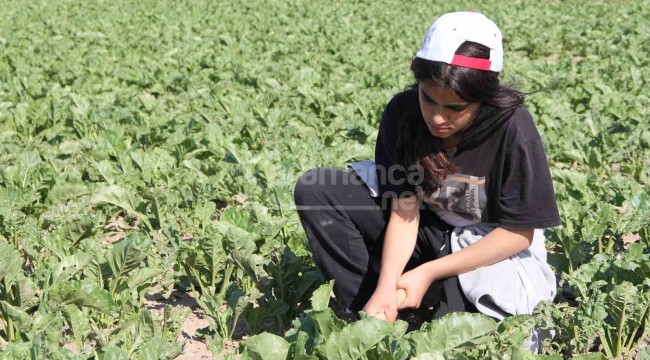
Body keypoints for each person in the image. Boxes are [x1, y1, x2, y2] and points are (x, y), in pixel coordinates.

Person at [293, 11, 560, 324]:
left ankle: (420, 298)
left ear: (483, 100)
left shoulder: (512, 128)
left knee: (464, 327)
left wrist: (429, 272)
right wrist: (386, 284)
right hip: (424, 230)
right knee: (318, 189)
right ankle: (372, 311)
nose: (437, 117)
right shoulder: (402, 112)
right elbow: (404, 212)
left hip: (485, 246)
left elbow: (518, 234)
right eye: (428, 99)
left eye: (455, 108)